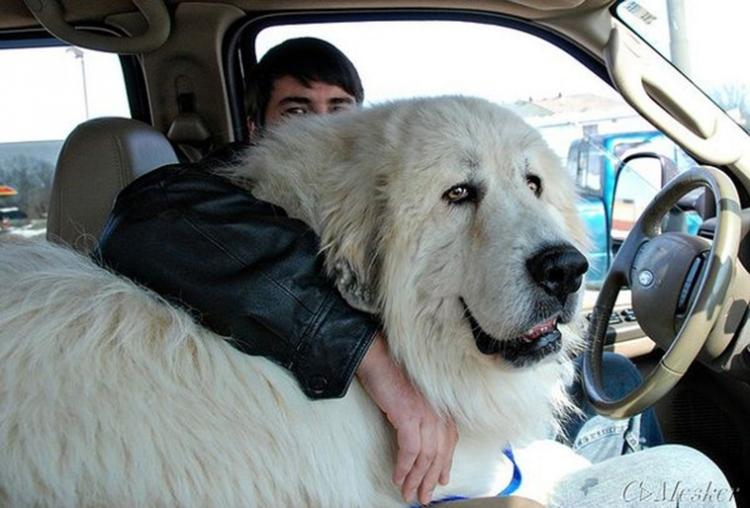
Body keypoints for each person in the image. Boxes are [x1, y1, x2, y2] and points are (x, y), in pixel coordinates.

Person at [97, 37, 734, 506]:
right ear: (258, 122)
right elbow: (148, 215)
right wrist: (371, 358)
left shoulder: (385, 163)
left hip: (466, 416)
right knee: (687, 478)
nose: (327, 127)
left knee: (617, 375)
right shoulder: (232, 192)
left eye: (342, 107)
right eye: (298, 111)